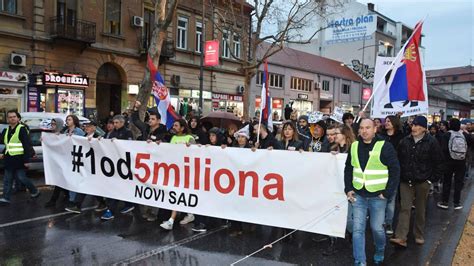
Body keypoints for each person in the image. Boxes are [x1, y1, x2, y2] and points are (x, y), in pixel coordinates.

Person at [344, 118, 400, 266]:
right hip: (358, 196)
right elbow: (348, 168)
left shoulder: (385, 147)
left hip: (378, 196)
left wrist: (387, 193)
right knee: (357, 230)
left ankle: (380, 249)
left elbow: (395, 170)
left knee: (377, 229)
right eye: (361, 128)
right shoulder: (354, 146)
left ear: (375, 129)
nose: (364, 131)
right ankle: (359, 260)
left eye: (367, 127)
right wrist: (348, 189)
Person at [390, 116, 443, 248]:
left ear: (424, 128)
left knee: (420, 209)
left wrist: (431, 179)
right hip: (405, 180)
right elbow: (397, 159)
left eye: (418, 125)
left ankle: (418, 234)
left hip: (423, 181)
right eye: (413, 125)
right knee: (405, 208)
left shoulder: (432, 142)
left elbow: (439, 162)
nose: (414, 128)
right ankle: (401, 237)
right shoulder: (404, 141)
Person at [160, 119, 196, 230]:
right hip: (174, 170)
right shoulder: (173, 138)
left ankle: (171, 220)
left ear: (182, 128)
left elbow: (196, 154)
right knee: (177, 194)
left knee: (179, 193)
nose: (174, 127)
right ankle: (189, 214)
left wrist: (191, 147)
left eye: (176, 125)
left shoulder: (190, 138)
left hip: (186, 171)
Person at [65, 121, 107, 214]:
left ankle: (102, 202)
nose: (86, 128)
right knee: (86, 184)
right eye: (85, 126)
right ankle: (78, 205)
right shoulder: (83, 137)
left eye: (89, 126)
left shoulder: (99, 137)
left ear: (94, 127)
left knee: (91, 185)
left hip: (95, 166)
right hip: (86, 165)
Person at [0, 110, 40, 204]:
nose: (12, 118)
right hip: (9, 159)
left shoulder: (21, 129)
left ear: (18, 118)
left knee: (22, 178)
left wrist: (27, 160)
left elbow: (26, 145)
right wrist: (3, 153)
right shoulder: (6, 130)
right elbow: (8, 144)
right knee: (7, 179)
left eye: (14, 116)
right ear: (7, 119)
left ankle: (34, 191)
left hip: (19, 159)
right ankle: (6, 198)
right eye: (10, 117)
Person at [45, 115, 85, 208]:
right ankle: (69, 199)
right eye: (67, 119)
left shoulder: (78, 131)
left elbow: (83, 143)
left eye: (69, 119)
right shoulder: (66, 131)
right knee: (65, 178)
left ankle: (73, 200)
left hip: (75, 159)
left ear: (74, 121)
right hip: (67, 159)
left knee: (73, 179)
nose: (67, 121)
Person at [101, 115, 135, 220]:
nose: (114, 125)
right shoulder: (112, 133)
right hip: (113, 163)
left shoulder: (127, 132)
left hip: (123, 164)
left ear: (122, 122)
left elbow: (128, 146)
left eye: (116, 123)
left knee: (117, 186)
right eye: (114, 123)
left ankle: (110, 210)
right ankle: (129, 204)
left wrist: (118, 141)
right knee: (117, 186)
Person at [437, 118, 472, 210]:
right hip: (461, 161)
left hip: (449, 161)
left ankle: (445, 202)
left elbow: (443, 149)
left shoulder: (447, 135)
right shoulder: (464, 134)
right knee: (458, 182)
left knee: (447, 181)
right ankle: (457, 203)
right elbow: (471, 142)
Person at [380, 115, 404, 235]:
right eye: (386, 121)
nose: (386, 123)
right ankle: (380, 222)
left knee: (391, 199)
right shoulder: (381, 136)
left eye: (389, 121)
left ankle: (388, 222)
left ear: (394, 123)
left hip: (393, 171)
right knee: (380, 198)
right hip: (380, 171)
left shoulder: (401, 137)